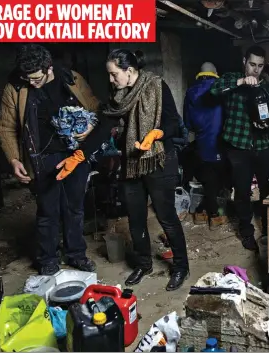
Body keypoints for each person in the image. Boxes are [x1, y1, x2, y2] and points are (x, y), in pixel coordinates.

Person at [0, 44, 102, 275]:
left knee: (75, 207)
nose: (32, 82)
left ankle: (76, 254)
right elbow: (5, 127)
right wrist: (14, 159)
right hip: (42, 157)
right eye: (27, 78)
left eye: (36, 77)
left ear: (48, 68)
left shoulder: (72, 79)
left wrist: (91, 125)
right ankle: (48, 260)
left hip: (75, 154)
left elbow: (95, 107)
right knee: (48, 210)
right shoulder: (15, 88)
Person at [103, 49, 189, 291]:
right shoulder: (118, 95)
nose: (111, 80)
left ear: (129, 71)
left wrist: (157, 133)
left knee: (166, 216)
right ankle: (143, 263)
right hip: (132, 161)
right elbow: (107, 122)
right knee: (135, 216)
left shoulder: (156, 87)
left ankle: (181, 266)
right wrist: (81, 153)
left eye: (114, 74)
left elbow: (173, 122)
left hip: (159, 158)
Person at [209, 46, 269, 251]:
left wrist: (267, 124)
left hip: (262, 146)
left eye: (260, 66)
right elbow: (214, 91)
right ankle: (246, 232)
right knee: (242, 192)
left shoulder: (268, 87)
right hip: (238, 146)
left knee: (268, 191)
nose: (255, 70)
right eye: (252, 64)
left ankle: (268, 230)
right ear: (244, 62)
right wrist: (241, 82)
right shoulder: (232, 80)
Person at [183, 62, 228, 229]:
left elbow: (187, 122)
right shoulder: (220, 89)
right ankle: (213, 215)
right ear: (215, 72)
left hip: (201, 142)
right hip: (218, 142)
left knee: (208, 179)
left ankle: (201, 212)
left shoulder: (190, 92)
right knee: (214, 181)